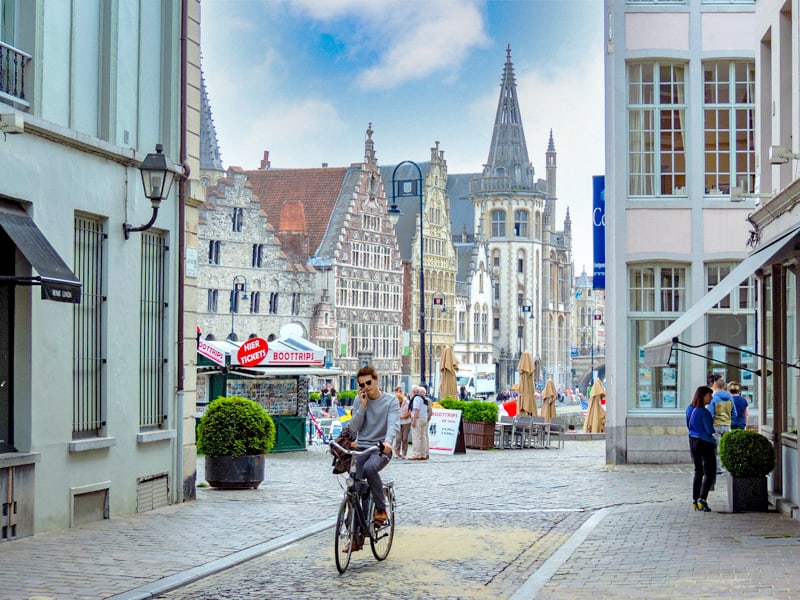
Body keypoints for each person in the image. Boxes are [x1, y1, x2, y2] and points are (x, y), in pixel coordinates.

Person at [346, 365, 400, 551]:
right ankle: (355, 536)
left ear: (376, 381)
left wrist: (388, 442)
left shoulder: (391, 401)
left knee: (370, 469)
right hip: (362, 447)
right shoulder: (360, 400)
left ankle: (381, 508)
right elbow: (354, 428)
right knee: (354, 487)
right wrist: (362, 407)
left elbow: (393, 424)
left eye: (369, 383)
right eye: (362, 385)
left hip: (381, 449)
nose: (366, 387)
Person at [687, 385, 716, 512]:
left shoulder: (690, 409)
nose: (711, 398)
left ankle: (694, 499)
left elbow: (688, 424)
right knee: (710, 472)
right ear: (703, 396)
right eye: (710, 395)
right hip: (705, 443)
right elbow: (710, 430)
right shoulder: (704, 412)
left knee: (698, 471)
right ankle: (702, 499)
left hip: (693, 441)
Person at [708, 373, 737, 474]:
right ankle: (729, 468)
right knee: (727, 448)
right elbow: (735, 413)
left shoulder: (714, 398)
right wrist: (729, 422)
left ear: (715, 385)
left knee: (717, 448)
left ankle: (718, 469)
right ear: (724, 386)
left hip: (716, 426)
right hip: (727, 426)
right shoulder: (730, 398)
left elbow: (710, 414)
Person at [408, 384, 430, 460]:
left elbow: (417, 410)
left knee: (416, 437)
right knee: (423, 437)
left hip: (418, 419)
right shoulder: (423, 398)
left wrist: (413, 420)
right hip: (424, 418)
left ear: (413, 391)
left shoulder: (417, 398)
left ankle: (417, 454)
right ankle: (424, 454)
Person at [393, 386, 411, 458]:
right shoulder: (394, 401)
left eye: (401, 391)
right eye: (399, 391)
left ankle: (404, 453)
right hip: (398, 422)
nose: (400, 392)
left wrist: (402, 417)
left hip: (406, 422)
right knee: (398, 438)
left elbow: (409, 412)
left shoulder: (407, 402)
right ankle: (396, 453)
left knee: (405, 438)